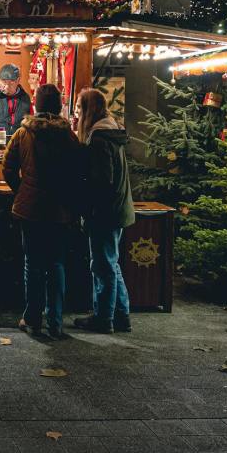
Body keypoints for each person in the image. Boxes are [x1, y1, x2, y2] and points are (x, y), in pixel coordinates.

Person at [2, 84, 82, 339]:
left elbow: (7, 167)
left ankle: (33, 319)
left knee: (33, 264)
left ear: (35, 104)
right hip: (59, 210)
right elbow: (78, 171)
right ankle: (56, 322)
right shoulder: (69, 136)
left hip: (31, 210)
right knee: (57, 264)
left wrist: (22, 190)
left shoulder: (23, 133)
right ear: (59, 106)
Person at [73, 88, 136, 334]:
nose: (77, 114)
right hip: (117, 208)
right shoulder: (111, 131)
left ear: (88, 109)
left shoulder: (98, 139)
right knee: (111, 263)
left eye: (79, 108)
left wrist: (87, 207)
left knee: (102, 265)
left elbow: (101, 181)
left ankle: (104, 318)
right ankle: (122, 314)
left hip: (105, 212)